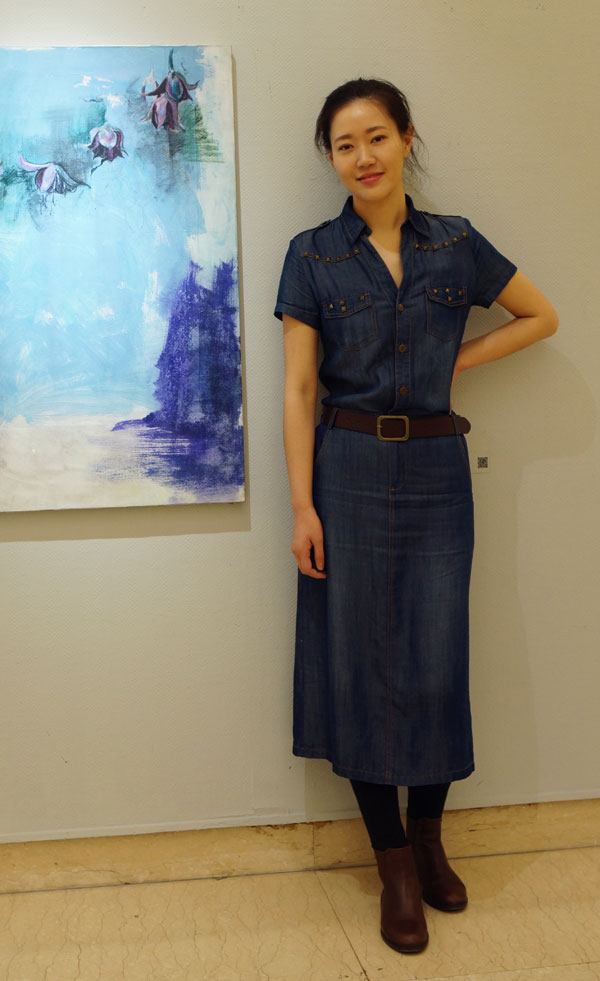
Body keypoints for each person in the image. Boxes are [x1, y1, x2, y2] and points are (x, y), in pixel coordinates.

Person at [274, 78, 558, 955]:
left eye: (376, 137)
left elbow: (540, 315)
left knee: (436, 657)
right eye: (343, 144)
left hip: (437, 467)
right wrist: (302, 504)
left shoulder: (457, 243)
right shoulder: (313, 255)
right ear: (331, 158)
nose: (362, 157)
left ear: (405, 139)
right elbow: (298, 389)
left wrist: (453, 361)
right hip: (348, 468)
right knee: (358, 662)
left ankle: (431, 838)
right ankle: (392, 860)